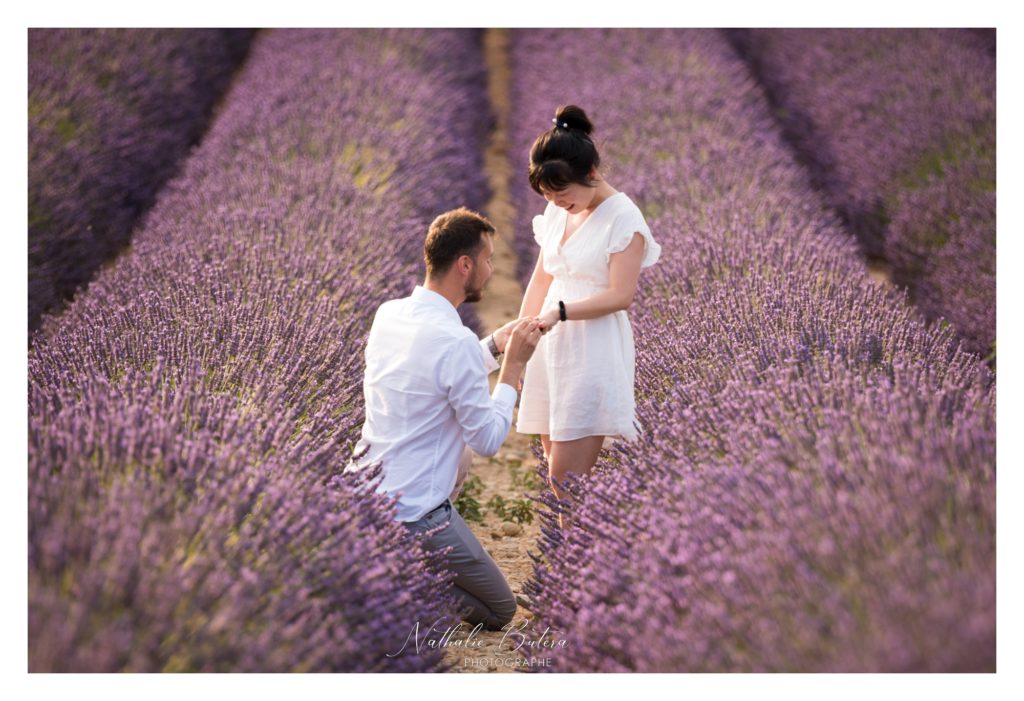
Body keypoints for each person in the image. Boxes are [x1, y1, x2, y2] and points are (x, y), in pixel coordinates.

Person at [346, 207, 543, 631]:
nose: (491, 270)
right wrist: (512, 367)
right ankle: (395, 579)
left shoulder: (389, 314)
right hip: (418, 513)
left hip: (361, 496)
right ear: (465, 265)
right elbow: (488, 439)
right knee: (500, 610)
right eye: (488, 260)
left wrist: (493, 344)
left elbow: (438, 368)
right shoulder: (453, 341)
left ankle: (372, 562)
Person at [516, 105, 661, 522]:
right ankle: (570, 560)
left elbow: (620, 296)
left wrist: (559, 313)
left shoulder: (624, 219)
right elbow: (541, 278)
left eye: (563, 196)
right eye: (548, 197)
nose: (557, 204)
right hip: (550, 341)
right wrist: (522, 342)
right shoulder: (559, 208)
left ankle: (572, 569)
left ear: (592, 173)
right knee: (554, 473)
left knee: (567, 479)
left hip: (591, 346)